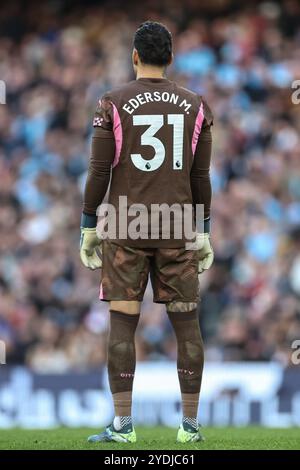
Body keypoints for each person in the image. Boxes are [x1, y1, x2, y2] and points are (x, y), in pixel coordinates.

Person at [80, 20, 214, 444]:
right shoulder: (196, 105)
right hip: (176, 225)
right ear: (171, 59)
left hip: (125, 223)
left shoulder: (112, 102)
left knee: (122, 323)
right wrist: (204, 230)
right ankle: (189, 428)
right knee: (187, 325)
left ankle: (123, 426)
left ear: (134, 56)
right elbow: (201, 176)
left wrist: (87, 225)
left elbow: (100, 169)